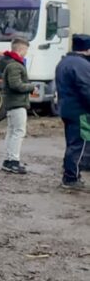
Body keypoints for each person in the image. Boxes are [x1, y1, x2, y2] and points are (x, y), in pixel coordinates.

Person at [55, 33, 90, 190]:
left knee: (72, 142)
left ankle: (69, 171)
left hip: (66, 109)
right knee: (80, 143)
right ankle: (71, 177)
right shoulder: (82, 65)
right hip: (80, 111)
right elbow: (86, 89)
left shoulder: (63, 62)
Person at [0, 37, 33, 174]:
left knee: (12, 132)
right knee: (18, 132)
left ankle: (9, 160)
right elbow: (15, 85)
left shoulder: (10, 63)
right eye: (26, 50)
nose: (26, 53)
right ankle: (13, 161)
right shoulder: (15, 65)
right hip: (17, 103)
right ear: (21, 49)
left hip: (12, 103)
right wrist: (31, 87)